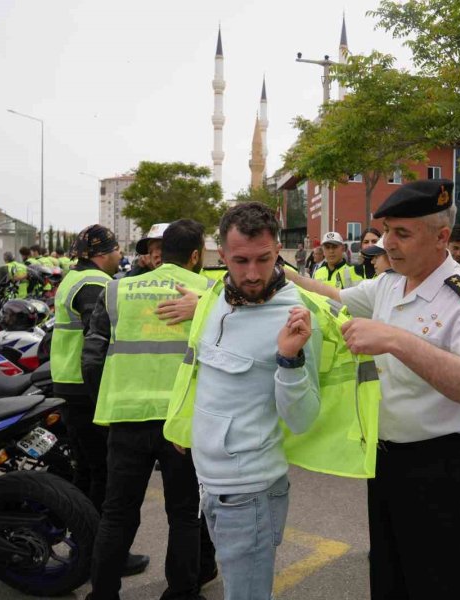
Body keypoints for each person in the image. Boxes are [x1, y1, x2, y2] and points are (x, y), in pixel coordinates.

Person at [288, 179, 460, 600]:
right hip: (386, 461)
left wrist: (396, 340)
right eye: (387, 231)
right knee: (390, 575)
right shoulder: (390, 282)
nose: (388, 243)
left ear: (442, 237)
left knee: (441, 582)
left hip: (440, 466)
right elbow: (335, 294)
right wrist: (277, 273)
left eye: (402, 233)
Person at [162, 203, 323, 600]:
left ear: (278, 252)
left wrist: (289, 361)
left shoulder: (298, 315)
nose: (252, 274)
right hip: (209, 483)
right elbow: (204, 373)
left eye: (264, 260)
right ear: (221, 254)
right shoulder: (215, 295)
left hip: (250, 492)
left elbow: (303, 419)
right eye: (240, 261)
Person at [83, 220, 216, 600]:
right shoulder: (207, 292)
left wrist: (107, 404)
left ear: (159, 251)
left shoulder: (117, 290)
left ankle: (103, 594)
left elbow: (91, 360)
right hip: (181, 423)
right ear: (195, 255)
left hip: (125, 418)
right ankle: (182, 593)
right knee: (184, 513)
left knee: (118, 514)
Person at [49, 225, 149, 576]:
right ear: (102, 253)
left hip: (70, 384)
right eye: (117, 250)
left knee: (88, 470)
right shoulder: (94, 284)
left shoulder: (73, 278)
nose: (121, 256)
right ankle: (104, 556)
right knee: (103, 475)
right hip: (86, 388)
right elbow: (101, 336)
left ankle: (86, 548)